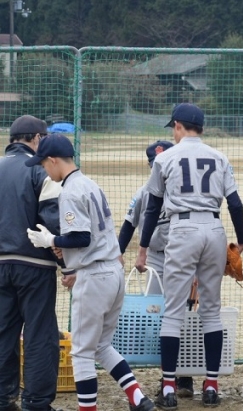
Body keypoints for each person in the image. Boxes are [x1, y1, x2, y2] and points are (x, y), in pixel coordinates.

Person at [25, 134, 155, 411]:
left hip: (94, 276)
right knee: (102, 346)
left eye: (44, 164)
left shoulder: (70, 191)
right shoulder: (90, 184)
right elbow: (88, 237)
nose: (44, 171)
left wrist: (51, 240)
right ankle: (138, 399)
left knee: (82, 353)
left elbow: (81, 238)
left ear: (53, 160)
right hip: (113, 272)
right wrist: (61, 245)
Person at [134, 103, 243, 410]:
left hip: (182, 229)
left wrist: (143, 247)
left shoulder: (165, 157)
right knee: (211, 311)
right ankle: (211, 387)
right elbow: (235, 204)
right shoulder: (219, 156)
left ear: (179, 126)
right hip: (214, 227)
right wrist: (241, 240)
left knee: (173, 312)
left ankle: (169, 388)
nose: (173, 132)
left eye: (174, 127)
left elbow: (153, 207)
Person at [117, 140, 196, 399]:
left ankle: (184, 376)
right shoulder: (144, 193)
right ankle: (167, 375)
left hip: (183, 256)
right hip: (155, 259)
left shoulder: (186, 192)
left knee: (184, 315)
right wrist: (118, 253)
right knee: (158, 316)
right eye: (154, 165)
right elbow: (128, 225)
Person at [0, 116, 61, 411]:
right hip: (34, 264)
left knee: (3, 333)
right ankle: (36, 401)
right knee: (39, 334)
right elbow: (52, 219)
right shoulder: (40, 170)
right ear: (36, 139)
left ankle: (2, 398)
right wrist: (65, 260)